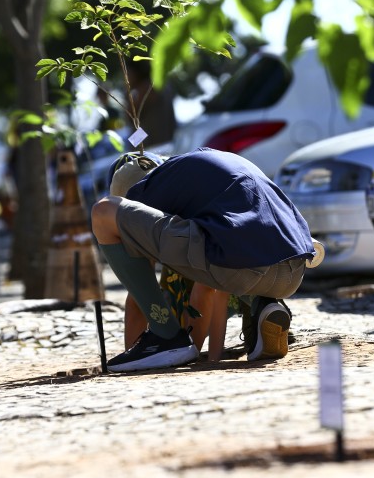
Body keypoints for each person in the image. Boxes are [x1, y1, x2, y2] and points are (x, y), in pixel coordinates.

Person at [91, 148, 321, 372]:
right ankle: (263, 307)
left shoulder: (149, 188)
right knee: (225, 250)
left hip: (242, 266)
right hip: (294, 268)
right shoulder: (202, 168)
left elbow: (138, 298)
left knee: (103, 212)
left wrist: (137, 349)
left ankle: (165, 336)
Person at [126, 59, 177, 148]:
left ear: (136, 73)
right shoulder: (160, 84)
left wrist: (127, 92)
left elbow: (130, 116)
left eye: (128, 73)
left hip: (155, 145)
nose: (126, 77)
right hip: (167, 140)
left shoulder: (146, 89)